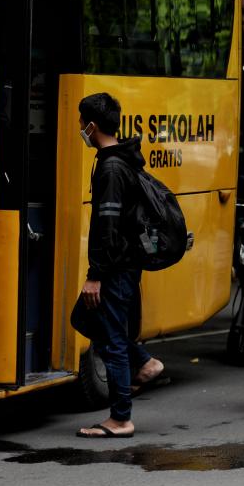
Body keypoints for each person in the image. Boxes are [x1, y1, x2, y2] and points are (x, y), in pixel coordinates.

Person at [74, 93, 164, 438]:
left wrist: (95, 275)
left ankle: (121, 418)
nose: (79, 128)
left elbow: (107, 227)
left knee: (112, 340)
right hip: (123, 264)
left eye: (81, 122)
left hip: (115, 267)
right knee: (84, 319)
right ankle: (143, 360)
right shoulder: (118, 159)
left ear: (92, 126)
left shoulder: (111, 167)